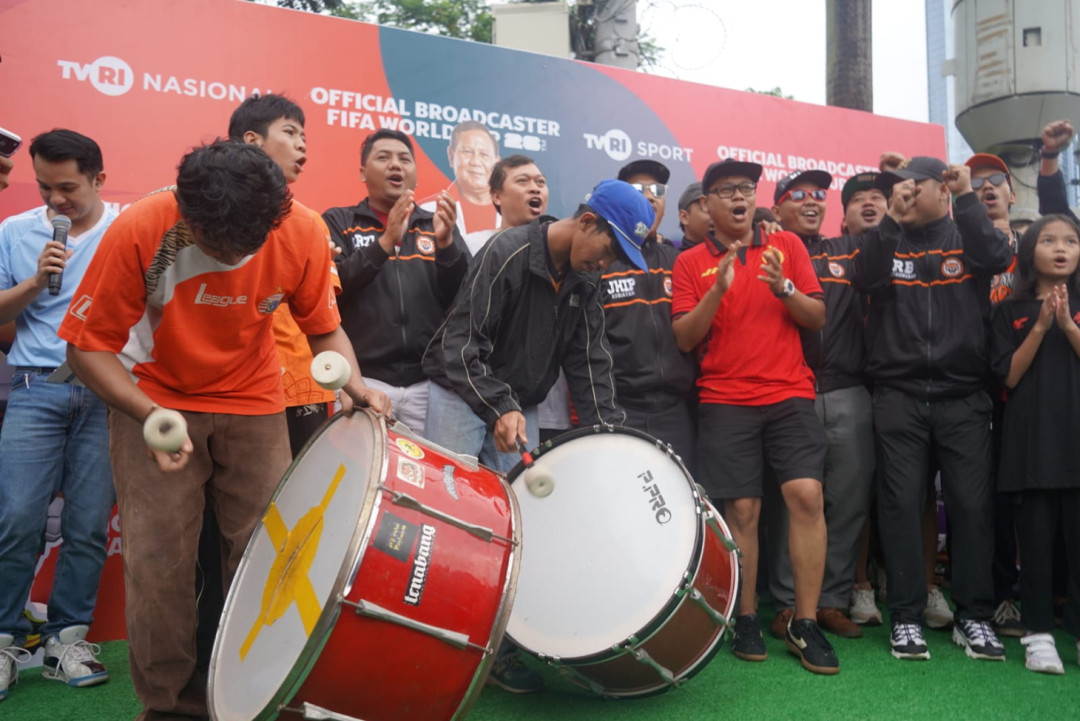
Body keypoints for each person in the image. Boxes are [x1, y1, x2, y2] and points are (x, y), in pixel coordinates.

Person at [58, 140, 390, 720]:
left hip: (255, 400)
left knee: (274, 558)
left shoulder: (303, 231)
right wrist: (144, 413)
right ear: (186, 212)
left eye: (249, 243)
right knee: (159, 566)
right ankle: (169, 708)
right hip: (154, 398)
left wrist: (353, 383)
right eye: (219, 244)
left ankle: (267, 696)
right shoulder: (142, 226)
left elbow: (323, 330)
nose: (234, 257)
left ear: (277, 215)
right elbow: (87, 348)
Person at [423, 178, 651, 692]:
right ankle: (438, 648)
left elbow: (591, 364)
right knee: (456, 523)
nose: (608, 264)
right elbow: (459, 347)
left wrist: (610, 441)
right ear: (588, 222)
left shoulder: (586, 280)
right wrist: (498, 405)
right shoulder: (507, 250)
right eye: (612, 248)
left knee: (514, 531)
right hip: (462, 393)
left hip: (515, 403)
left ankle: (499, 651)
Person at [671, 159, 838, 675]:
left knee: (806, 496)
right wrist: (718, 288)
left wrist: (784, 287)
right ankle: (744, 616)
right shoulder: (689, 263)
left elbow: (818, 315)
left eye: (746, 188)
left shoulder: (786, 245)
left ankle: (804, 624)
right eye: (726, 191)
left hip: (789, 392)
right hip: (724, 398)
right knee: (742, 510)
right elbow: (684, 339)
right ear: (708, 206)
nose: (739, 197)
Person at [853, 156, 1012, 662]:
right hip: (898, 396)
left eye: (913, 187)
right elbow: (866, 279)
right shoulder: (886, 237)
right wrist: (893, 219)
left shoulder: (967, 231)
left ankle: (975, 617)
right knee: (899, 508)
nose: (903, 194)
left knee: (970, 506)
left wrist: (968, 198)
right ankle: (905, 616)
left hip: (964, 396)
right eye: (896, 189)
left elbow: (994, 257)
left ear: (941, 190)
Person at [0, 129, 116, 700]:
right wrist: (34, 280)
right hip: (33, 386)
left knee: (88, 525)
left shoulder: (130, 228)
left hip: (107, 391)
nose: (55, 202)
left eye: (67, 188)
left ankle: (67, 640)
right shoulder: (15, 232)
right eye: (45, 187)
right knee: (17, 517)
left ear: (98, 179)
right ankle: (4, 640)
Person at [764, 170, 874, 642]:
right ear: (778, 206)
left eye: (819, 196)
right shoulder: (768, 252)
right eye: (799, 196)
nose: (812, 202)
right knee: (795, 502)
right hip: (793, 392)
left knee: (847, 504)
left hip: (849, 389)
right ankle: (789, 602)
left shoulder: (847, 251)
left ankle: (831, 601)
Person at [323, 129, 468, 433]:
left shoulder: (437, 224)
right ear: (363, 172)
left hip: (429, 384)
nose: (396, 165)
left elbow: (465, 296)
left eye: (404, 159)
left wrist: (446, 245)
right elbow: (332, 290)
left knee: (428, 477)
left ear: (415, 175)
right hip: (364, 381)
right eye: (383, 157)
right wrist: (385, 243)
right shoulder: (339, 221)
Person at [990, 213, 1080, 675]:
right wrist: (1042, 325)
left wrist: (1067, 324)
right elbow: (1007, 375)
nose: (1061, 248)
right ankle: (1038, 635)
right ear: (1030, 252)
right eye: (1048, 240)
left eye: (1070, 240)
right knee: (1038, 546)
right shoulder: (1010, 310)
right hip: (1030, 449)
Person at [229, 93, 341, 456]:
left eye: (304, 137)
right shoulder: (207, 213)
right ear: (252, 140)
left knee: (297, 500)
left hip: (301, 385)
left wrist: (351, 385)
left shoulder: (310, 225)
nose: (301, 144)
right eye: (291, 132)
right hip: (230, 387)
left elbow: (324, 318)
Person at [963, 151, 1025, 639]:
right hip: (970, 387)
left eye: (995, 181)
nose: (985, 187)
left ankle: (1028, 591)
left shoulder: (1036, 247)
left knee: (1019, 495)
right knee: (982, 498)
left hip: (1024, 393)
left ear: (1011, 192)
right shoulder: (960, 247)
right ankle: (991, 593)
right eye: (976, 180)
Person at [601, 159, 697, 470]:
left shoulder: (681, 260)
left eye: (657, 189)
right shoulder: (602, 261)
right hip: (621, 409)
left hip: (677, 411)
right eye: (638, 189)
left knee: (684, 506)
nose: (649, 195)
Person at [422, 120, 501, 248]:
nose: (475, 162)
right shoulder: (427, 210)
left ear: (497, 162)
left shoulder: (512, 213)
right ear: (451, 156)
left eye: (484, 154)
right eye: (467, 152)